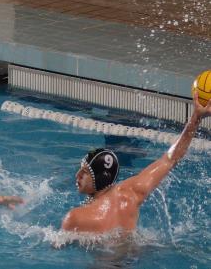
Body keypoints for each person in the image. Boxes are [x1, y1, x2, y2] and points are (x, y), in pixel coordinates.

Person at [61, 91, 211, 233]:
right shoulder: (131, 193)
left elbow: (57, 248)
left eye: (85, 172)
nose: (77, 175)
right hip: (135, 256)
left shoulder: (75, 218)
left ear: (101, 177)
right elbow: (171, 158)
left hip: (105, 259)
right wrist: (196, 117)